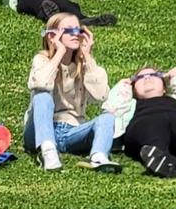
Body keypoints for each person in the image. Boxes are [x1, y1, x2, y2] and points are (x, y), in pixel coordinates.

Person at [24, 12, 121, 172]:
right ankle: (48, 151)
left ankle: (98, 156)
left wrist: (88, 57)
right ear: (52, 36)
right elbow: (41, 83)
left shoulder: (83, 65)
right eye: (68, 30)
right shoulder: (42, 60)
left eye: (78, 30)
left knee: (107, 118)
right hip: (40, 129)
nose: (75, 34)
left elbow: (101, 96)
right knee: (42, 96)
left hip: (72, 131)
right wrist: (59, 52)